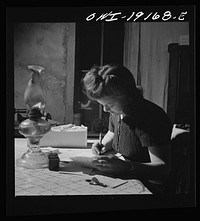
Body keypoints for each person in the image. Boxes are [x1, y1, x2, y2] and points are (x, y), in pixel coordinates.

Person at [83, 64, 173, 194]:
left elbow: (163, 169)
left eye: (109, 104)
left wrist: (126, 167)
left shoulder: (150, 117)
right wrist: (102, 145)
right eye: (102, 105)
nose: (105, 110)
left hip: (148, 186)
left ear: (128, 96)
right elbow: (112, 133)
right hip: (125, 178)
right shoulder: (117, 112)